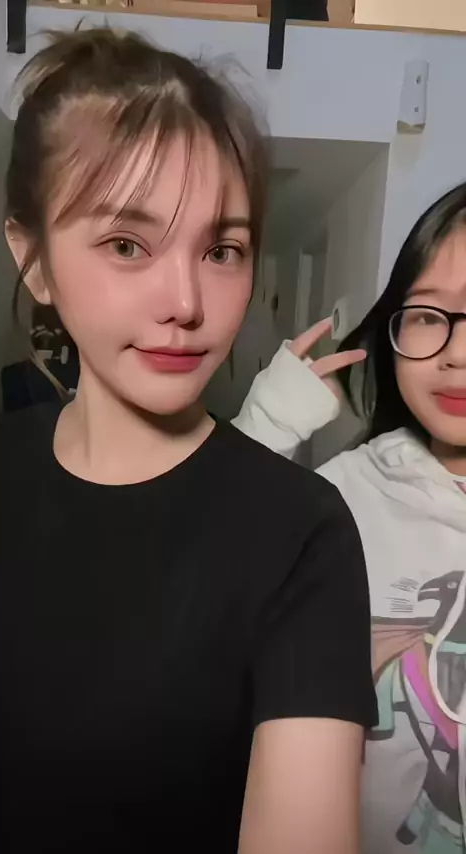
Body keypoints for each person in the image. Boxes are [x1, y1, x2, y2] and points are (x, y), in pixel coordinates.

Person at [0, 26, 376, 854]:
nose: (188, 303)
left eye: (222, 249)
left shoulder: (302, 532)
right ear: (35, 258)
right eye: (127, 244)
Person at [235, 182, 466, 854]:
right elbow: (193, 605)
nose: (456, 352)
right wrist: (260, 435)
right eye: (428, 314)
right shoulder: (341, 497)